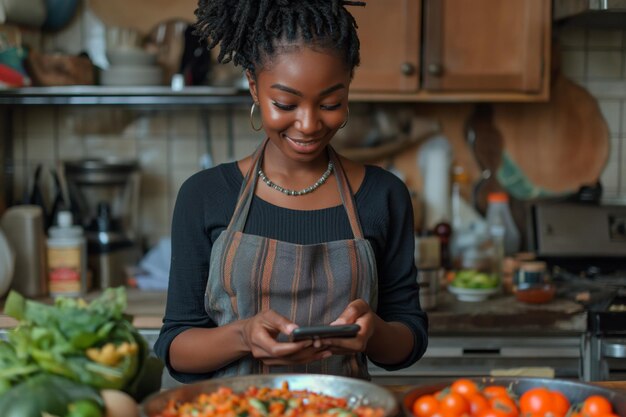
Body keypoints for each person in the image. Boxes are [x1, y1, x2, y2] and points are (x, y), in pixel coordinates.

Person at [154, 0, 428, 382]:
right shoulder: (204, 195)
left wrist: (373, 334)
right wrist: (243, 336)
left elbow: (409, 339)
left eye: (331, 103)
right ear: (253, 86)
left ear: (349, 86)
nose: (309, 124)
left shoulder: (384, 195)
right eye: (285, 103)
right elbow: (175, 346)